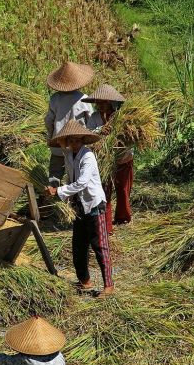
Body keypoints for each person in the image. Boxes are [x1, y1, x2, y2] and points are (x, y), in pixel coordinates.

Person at [45, 119, 114, 297]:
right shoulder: (70, 155)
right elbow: (70, 178)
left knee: (100, 246)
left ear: (83, 140)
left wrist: (59, 191)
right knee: (78, 246)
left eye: (77, 140)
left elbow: (82, 183)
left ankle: (109, 286)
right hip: (79, 207)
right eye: (70, 140)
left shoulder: (88, 156)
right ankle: (85, 281)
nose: (73, 143)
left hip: (93, 205)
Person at [83, 84, 134, 236]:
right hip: (104, 162)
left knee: (123, 189)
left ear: (111, 102)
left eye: (103, 102)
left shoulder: (121, 116)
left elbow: (130, 137)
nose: (99, 105)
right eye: (97, 103)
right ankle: (106, 225)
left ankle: (123, 218)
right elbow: (88, 134)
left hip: (123, 158)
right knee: (104, 192)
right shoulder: (94, 117)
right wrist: (100, 130)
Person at [44, 61, 94, 185]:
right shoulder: (84, 99)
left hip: (59, 142)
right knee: (77, 175)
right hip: (77, 143)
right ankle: (73, 198)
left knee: (55, 174)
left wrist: (51, 136)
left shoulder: (55, 99)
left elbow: (49, 120)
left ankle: (51, 196)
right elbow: (90, 122)